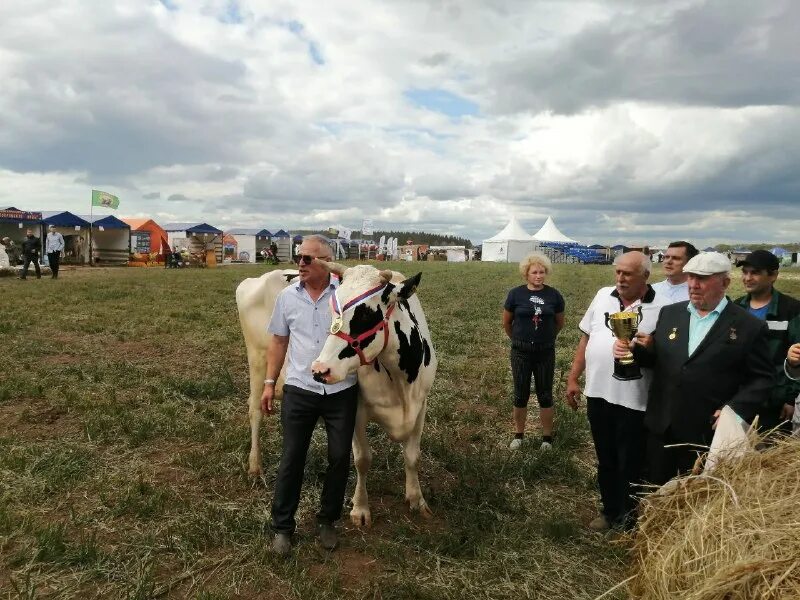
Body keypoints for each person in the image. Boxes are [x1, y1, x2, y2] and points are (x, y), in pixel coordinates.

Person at [618, 252, 774, 486]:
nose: (693, 284)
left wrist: (734, 408)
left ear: (725, 282)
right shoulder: (671, 314)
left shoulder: (749, 326)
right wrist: (635, 352)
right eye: (690, 277)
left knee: (697, 498)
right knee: (656, 491)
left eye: (702, 278)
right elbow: (662, 360)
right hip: (663, 425)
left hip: (706, 432)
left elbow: (762, 379)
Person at [261, 235, 358, 556]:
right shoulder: (288, 298)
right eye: (298, 257)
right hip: (300, 390)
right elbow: (278, 342)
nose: (299, 263)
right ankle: (282, 528)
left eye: (307, 259)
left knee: (340, 457)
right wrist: (269, 382)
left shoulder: (347, 298)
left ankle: (327, 519)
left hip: (340, 392)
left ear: (327, 263)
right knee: (291, 458)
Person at [566, 251, 666, 531]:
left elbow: (667, 355)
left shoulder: (665, 306)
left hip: (635, 400)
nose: (620, 278)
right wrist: (574, 377)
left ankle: (629, 519)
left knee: (631, 462)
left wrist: (649, 348)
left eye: (627, 274)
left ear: (645, 276)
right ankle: (609, 512)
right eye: (617, 272)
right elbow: (586, 338)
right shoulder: (602, 296)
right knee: (606, 458)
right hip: (598, 392)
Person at [733, 250, 800, 431]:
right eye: (745, 272)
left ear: (773, 276)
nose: (747, 278)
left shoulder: (792, 310)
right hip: (739, 400)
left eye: (754, 272)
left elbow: (797, 359)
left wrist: (790, 398)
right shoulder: (735, 308)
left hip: (775, 405)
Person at [503, 253, 565, 451]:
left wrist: (545, 338)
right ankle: (519, 435)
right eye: (534, 272)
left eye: (542, 272)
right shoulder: (515, 294)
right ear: (526, 274)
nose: (539, 276)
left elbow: (559, 323)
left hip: (545, 352)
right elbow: (506, 322)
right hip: (521, 352)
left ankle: (546, 438)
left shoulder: (554, 295)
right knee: (520, 394)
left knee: (545, 394)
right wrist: (519, 340)